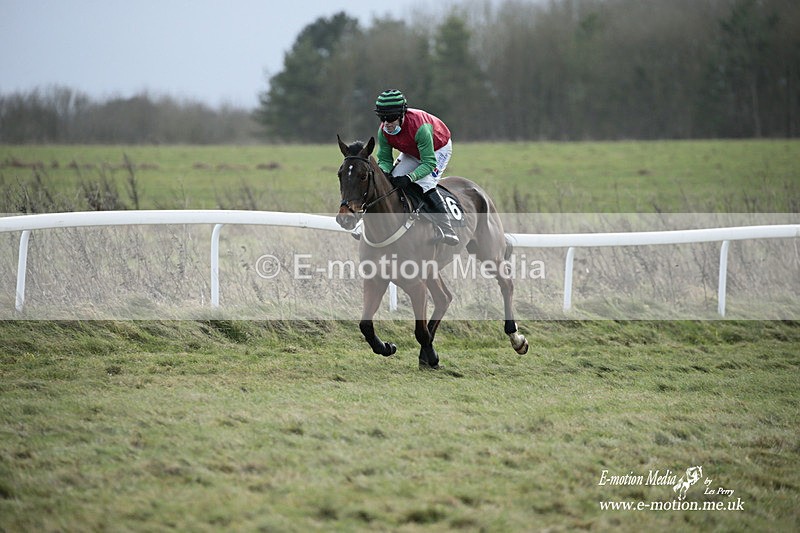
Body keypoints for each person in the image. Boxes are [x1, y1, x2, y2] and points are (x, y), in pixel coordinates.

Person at [373, 89, 459, 246]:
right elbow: (384, 160)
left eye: (390, 118)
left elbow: (429, 163)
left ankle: (447, 228)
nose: (386, 123)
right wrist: (384, 173)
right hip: (412, 151)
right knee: (390, 182)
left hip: (437, 149)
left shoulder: (420, 128)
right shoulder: (383, 131)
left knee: (424, 184)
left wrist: (409, 177)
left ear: (401, 115)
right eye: (382, 118)